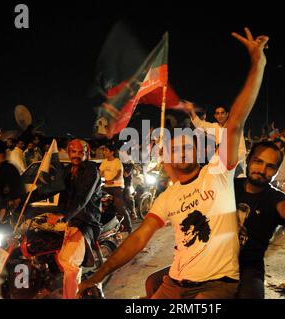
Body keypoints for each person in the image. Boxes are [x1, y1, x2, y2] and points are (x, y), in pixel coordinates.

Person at [77, 26, 269, 299]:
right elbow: (138, 238)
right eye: (175, 147)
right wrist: (98, 275)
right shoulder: (167, 198)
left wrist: (257, 63)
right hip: (174, 284)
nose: (182, 150)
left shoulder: (218, 171)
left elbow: (236, 120)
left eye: (187, 146)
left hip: (215, 286)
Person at [236, 141, 285, 298]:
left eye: (270, 166)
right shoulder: (229, 186)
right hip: (214, 263)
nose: (262, 170)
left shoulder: (275, 198)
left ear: (276, 172)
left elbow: (282, 208)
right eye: (258, 161)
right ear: (248, 160)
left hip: (249, 269)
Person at [53, 139, 103, 299]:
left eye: (80, 152)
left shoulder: (91, 170)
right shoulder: (67, 170)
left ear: (87, 153)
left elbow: (82, 198)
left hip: (86, 221)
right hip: (72, 221)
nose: (76, 155)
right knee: (62, 260)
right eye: (73, 152)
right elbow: (56, 190)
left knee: (69, 262)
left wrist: (63, 215)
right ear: (68, 153)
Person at [0, 140, 25, 225]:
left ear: (0, 155)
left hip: (5, 219)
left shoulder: (8, 169)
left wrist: (5, 208)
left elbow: (16, 195)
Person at [99, 143, 133, 233]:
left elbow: (119, 173)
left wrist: (112, 180)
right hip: (106, 186)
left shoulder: (117, 161)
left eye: (106, 150)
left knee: (120, 206)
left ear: (111, 152)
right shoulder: (104, 161)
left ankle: (128, 227)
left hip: (117, 187)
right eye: (104, 150)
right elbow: (100, 172)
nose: (104, 152)